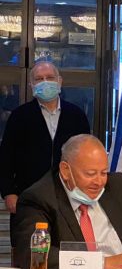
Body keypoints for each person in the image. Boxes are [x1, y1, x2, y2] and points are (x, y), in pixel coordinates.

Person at [14, 134, 122, 269]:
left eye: (103, 173)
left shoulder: (118, 187)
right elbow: (32, 256)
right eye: (90, 174)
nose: (99, 182)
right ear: (65, 170)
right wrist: (102, 263)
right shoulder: (39, 198)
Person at [0, 61, 90, 216]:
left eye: (50, 77)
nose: (45, 82)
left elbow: (85, 156)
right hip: (28, 196)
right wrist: (8, 192)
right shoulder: (19, 116)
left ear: (59, 81)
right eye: (39, 79)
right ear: (31, 85)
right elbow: (6, 157)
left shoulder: (76, 116)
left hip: (69, 197)